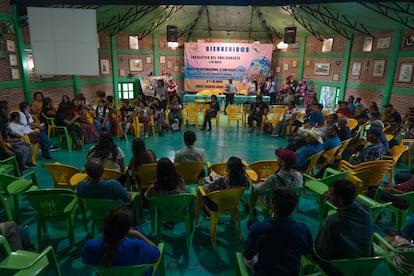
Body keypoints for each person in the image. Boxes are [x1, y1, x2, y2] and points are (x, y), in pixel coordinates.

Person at [243, 187, 312, 275]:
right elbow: (307, 251)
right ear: (294, 207)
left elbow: (248, 255)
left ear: (272, 205)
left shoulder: (259, 228)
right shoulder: (303, 229)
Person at [82, 205, 160, 269]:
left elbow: (86, 260)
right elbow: (156, 253)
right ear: (127, 230)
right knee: (138, 229)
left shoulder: (89, 247)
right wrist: (137, 234)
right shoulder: (138, 246)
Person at [315, 179, 373, 263]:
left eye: (331, 195)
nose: (329, 196)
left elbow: (321, 250)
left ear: (340, 200)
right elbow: (348, 203)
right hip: (364, 262)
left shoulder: (332, 221)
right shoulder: (366, 210)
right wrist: (332, 197)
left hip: (341, 265)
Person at [0, 101, 34, 173]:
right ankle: (19, 171)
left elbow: (9, 131)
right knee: (19, 152)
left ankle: (28, 163)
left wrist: (18, 136)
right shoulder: (1, 121)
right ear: (3, 110)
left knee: (29, 146)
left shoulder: (5, 120)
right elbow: (3, 138)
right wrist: (6, 148)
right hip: (5, 143)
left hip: (9, 141)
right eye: (8, 108)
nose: (9, 110)